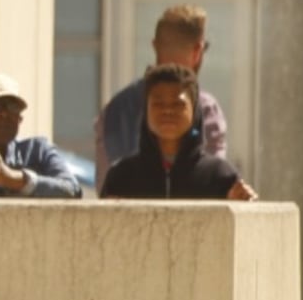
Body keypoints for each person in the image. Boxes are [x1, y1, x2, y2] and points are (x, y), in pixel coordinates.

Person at [96, 4, 228, 178]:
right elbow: (215, 181)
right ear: (197, 51)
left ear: (154, 46)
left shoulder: (117, 108)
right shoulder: (205, 109)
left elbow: (106, 185)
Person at [101, 64, 257, 201]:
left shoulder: (220, 176)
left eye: (178, 104)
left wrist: (241, 201)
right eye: (158, 103)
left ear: (194, 111)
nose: (167, 111)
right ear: (145, 111)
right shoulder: (121, 178)